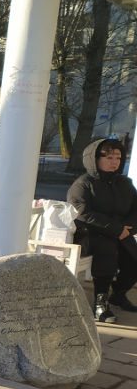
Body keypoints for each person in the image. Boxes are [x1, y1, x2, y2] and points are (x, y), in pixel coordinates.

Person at [67, 137, 137, 323]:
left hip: (120, 233)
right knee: (107, 250)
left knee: (133, 257)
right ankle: (100, 302)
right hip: (90, 234)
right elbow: (82, 212)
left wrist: (128, 229)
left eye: (118, 158)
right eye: (108, 157)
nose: (114, 162)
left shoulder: (125, 183)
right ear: (95, 158)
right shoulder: (83, 183)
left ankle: (118, 294)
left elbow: (135, 210)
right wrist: (116, 229)